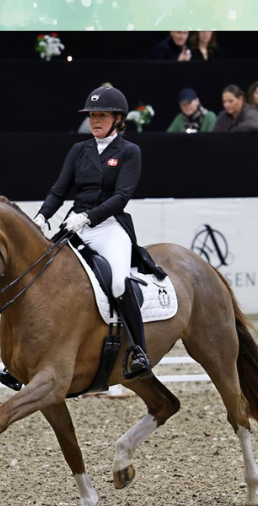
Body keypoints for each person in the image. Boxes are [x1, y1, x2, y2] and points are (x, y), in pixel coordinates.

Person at [32, 86, 152, 379]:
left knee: (119, 283)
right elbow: (59, 190)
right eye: (92, 115)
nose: (95, 120)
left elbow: (121, 197)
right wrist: (42, 216)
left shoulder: (129, 151)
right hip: (75, 224)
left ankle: (139, 350)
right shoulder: (79, 150)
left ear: (118, 119)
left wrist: (88, 217)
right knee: (41, 275)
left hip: (108, 226)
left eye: (102, 115)